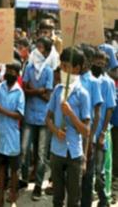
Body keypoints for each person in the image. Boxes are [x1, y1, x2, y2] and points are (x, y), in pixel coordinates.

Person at [46, 47, 91, 207]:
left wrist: (70, 113)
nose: (63, 70)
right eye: (62, 65)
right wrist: (55, 131)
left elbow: (86, 131)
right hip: (57, 151)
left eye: (67, 66)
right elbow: (48, 119)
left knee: (73, 199)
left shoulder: (83, 94)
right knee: (57, 197)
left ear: (77, 68)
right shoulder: (57, 91)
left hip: (74, 154)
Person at [20, 37, 54, 201]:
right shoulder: (29, 68)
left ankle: (38, 186)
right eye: (37, 46)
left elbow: (48, 96)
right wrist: (38, 91)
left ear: (46, 52)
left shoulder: (48, 70)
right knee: (24, 149)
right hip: (29, 115)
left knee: (40, 154)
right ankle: (24, 178)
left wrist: (35, 91)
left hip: (43, 118)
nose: (36, 50)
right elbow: (24, 89)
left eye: (40, 47)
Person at [0, 61, 25, 207]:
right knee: (1, 169)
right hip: (0, 136)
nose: (9, 73)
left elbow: (19, 115)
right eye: (7, 70)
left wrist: (1, 110)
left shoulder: (19, 92)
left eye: (12, 71)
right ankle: (0, 198)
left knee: (14, 171)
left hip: (12, 137)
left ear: (17, 75)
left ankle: (13, 197)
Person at [79, 44, 104, 207]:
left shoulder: (94, 82)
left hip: (87, 136)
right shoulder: (73, 79)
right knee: (74, 176)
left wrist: (91, 137)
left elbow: (97, 114)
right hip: (73, 134)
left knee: (87, 175)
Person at [91, 49, 116, 207]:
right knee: (88, 170)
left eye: (102, 63)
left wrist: (103, 132)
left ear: (106, 65)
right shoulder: (87, 80)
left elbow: (109, 109)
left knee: (99, 170)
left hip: (100, 131)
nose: (99, 65)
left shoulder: (108, 83)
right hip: (88, 131)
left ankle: (104, 199)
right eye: (96, 62)